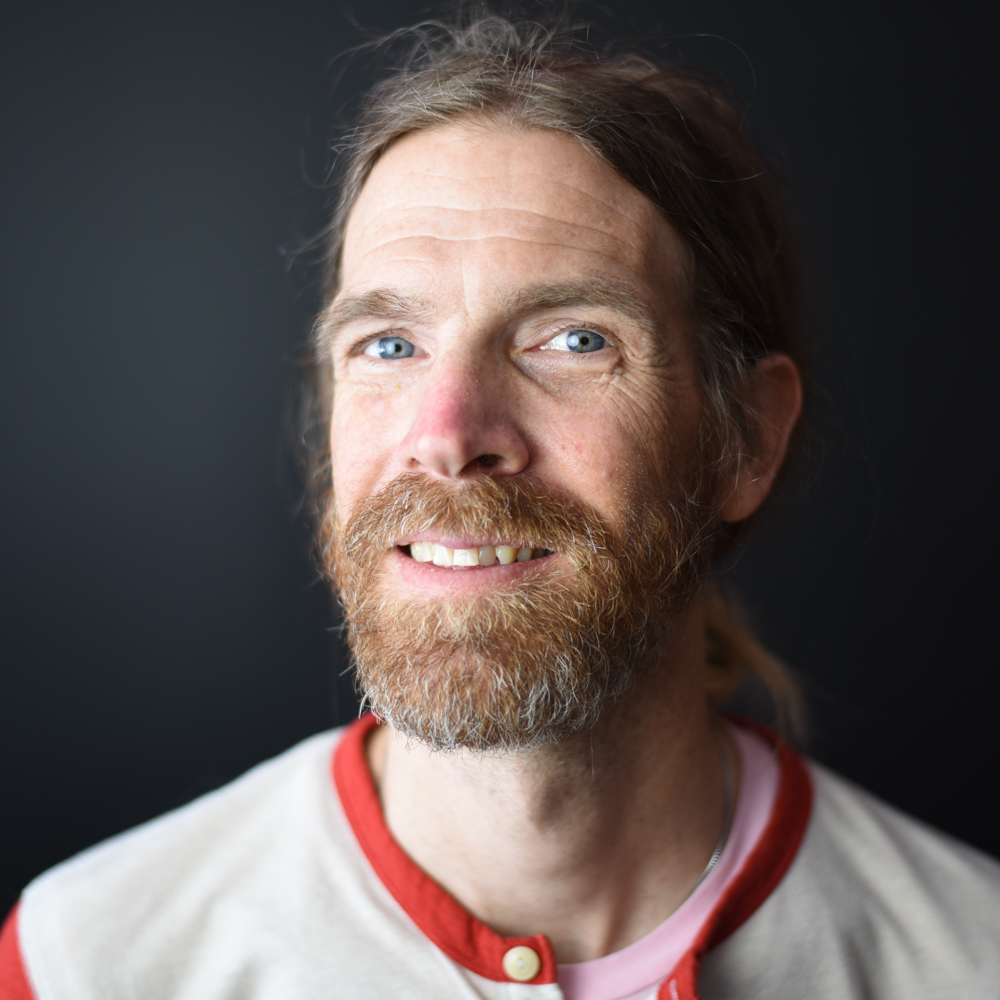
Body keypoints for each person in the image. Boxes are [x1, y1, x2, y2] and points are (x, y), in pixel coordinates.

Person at [2, 13, 998, 1000]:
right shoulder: (86, 964)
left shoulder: (969, 960)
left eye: (573, 340)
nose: (447, 433)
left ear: (749, 437)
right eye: (389, 345)